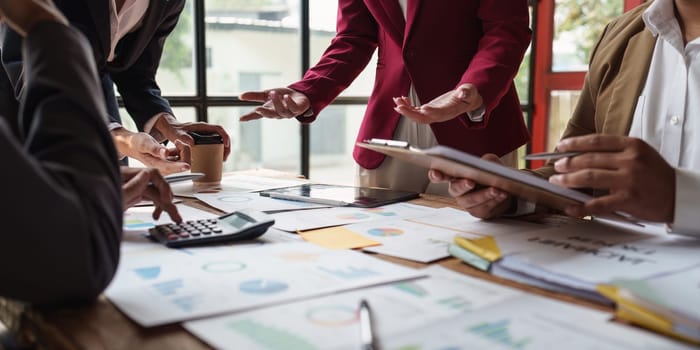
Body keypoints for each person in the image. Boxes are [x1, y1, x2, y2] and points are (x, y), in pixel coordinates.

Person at [430, 0, 700, 237]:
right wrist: (509, 192)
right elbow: (577, 176)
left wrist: (681, 198)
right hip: (604, 270)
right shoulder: (620, 37)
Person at [239, 0, 531, 194]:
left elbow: (506, 30)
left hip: (475, 122)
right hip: (390, 127)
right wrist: (308, 90)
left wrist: (473, 89)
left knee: (482, 248)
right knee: (380, 243)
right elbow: (353, 38)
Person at [0, 0, 179, 305]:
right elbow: (75, 261)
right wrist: (45, 24)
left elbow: (136, 70)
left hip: (78, 95)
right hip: (39, 101)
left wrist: (93, 190)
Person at [1, 0, 231, 175]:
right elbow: (29, 68)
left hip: (95, 87)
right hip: (17, 96)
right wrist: (120, 137)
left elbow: (136, 70)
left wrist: (166, 123)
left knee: (115, 201)